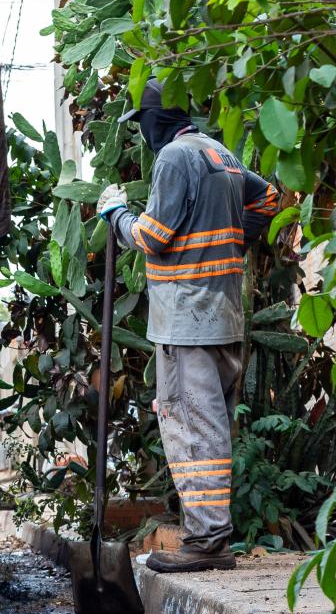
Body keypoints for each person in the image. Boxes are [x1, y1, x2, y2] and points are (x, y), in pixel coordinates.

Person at [97, 80, 281, 573]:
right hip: (225, 316)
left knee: (193, 430)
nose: (142, 134)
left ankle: (206, 542)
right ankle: (210, 535)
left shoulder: (175, 157)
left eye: (141, 123)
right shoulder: (220, 154)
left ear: (154, 121)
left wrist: (117, 215)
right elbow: (269, 199)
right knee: (213, 427)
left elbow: (153, 237)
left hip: (186, 321)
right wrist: (234, 243)